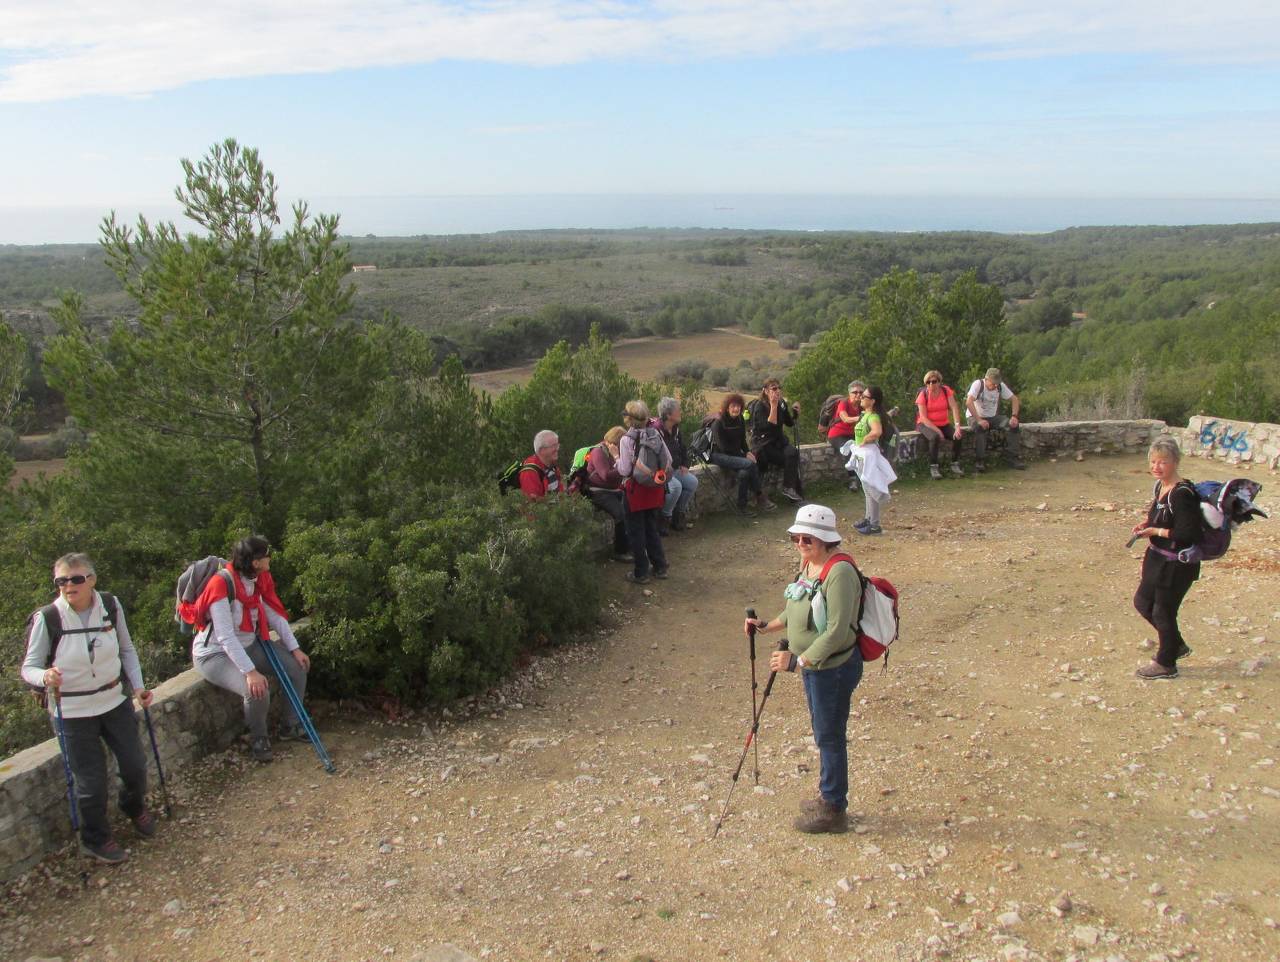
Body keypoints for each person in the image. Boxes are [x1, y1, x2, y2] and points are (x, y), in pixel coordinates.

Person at [21, 553, 155, 864]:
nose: (69, 585)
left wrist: (137, 686)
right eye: (62, 581)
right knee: (90, 782)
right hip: (72, 710)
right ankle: (96, 839)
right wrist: (45, 676)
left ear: (91, 580)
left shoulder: (110, 605)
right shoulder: (48, 618)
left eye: (77, 579)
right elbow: (28, 667)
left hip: (113, 700)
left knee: (135, 766)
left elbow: (126, 648)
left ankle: (134, 807)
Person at [746, 504, 863, 834]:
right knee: (823, 731)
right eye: (796, 538)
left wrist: (798, 661)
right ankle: (829, 796)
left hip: (833, 668)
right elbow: (795, 609)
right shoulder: (809, 566)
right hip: (816, 668)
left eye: (807, 539)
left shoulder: (839, 573)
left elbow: (838, 630)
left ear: (825, 540)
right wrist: (765, 626)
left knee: (829, 735)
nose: (800, 544)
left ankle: (834, 808)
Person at [192, 536, 311, 762]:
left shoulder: (258, 580)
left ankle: (291, 725)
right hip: (215, 654)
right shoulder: (222, 584)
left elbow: (273, 614)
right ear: (256, 562)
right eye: (267, 554)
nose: (270, 558)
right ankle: (259, 738)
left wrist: (294, 648)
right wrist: (250, 672)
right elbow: (225, 636)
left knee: (297, 667)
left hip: (248, 643)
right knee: (256, 690)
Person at [1131, 438, 1201, 679]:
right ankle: (1175, 645)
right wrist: (1147, 524)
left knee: (1163, 612)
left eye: (1163, 462)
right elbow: (1162, 517)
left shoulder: (1182, 493)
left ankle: (1166, 662)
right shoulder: (1160, 487)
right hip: (1157, 560)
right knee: (1142, 602)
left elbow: (1188, 533)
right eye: (1153, 461)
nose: (1156, 466)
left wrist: (1155, 531)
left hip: (1176, 564)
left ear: (1175, 462)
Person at [617, 400, 672, 584]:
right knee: (651, 528)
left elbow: (624, 470)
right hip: (653, 489)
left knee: (636, 532)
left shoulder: (627, 439)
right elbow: (668, 459)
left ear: (629, 419)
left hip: (635, 491)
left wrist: (616, 457)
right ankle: (660, 566)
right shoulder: (655, 433)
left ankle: (641, 572)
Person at [846, 386, 897, 536]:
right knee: (867, 489)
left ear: (873, 401)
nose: (861, 398)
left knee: (871, 489)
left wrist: (866, 440)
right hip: (863, 456)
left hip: (869, 456)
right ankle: (869, 519)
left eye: (864, 396)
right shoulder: (864, 415)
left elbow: (877, 432)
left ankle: (874, 524)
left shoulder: (873, 416)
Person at [709, 393, 771, 515]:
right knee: (749, 464)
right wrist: (744, 456)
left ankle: (741, 508)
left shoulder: (740, 420)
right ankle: (759, 496)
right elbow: (724, 448)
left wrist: (747, 451)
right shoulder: (718, 423)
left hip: (735, 455)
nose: (736, 409)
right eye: (733, 406)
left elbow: (742, 441)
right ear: (727, 407)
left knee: (744, 473)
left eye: (738, 406)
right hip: (718, 456)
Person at [748, 378, 803, 503]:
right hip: (765, 445)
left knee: (793, 453)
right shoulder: (759, 406)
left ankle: (790, 489)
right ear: (766, 391)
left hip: (779, 442)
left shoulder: (782, 403)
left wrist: (795, 413)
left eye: (779, 388)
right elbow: (769, 426)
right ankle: (794, 495)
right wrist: (773, 406)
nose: (777, 391)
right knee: (790, 461)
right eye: (774, 388)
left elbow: (789, 422)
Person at [653, 396, 699, 534]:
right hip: (662, 471)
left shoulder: (675, 429)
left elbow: (683, 448)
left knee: (692, 482)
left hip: (676, 469)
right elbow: (654, 456)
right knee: (675, 487)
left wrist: (685, 463)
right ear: (668, 415)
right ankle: (665, 517)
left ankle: (678, 515)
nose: (680, 412)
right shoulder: (656, 431)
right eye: (678, 410)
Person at [965, 367, 1025, 471]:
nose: (995, 385)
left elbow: (1014, 399)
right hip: (974, 416)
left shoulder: (1000, 386)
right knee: (980, 428)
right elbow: (969, 402)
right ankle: (980, 461)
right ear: (986, 379)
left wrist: (1014, 416)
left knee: (1013, 426)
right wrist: (979, 420)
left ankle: (1012, 458)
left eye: (997, 383)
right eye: (993, 383)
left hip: (993, 417)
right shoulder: (978, 384)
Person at [587, 426, 632, 562]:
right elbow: (605, 475)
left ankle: (630, 546)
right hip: (598, 491)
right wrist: (624, 467)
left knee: (632, 510)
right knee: (620, 515)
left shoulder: (615, 451)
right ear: (615, 442)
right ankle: (620, 551)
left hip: (614, 489)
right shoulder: (598, 452)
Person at [916, 370, 965, 480]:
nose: (931, 384)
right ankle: (934, 467)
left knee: (958, 436)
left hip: (943, 423)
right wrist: (938, 431)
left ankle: (955, 463)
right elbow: (923, 417)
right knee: (934, 437)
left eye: (934, 381)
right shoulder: (923, 394)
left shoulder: (946, 391)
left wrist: (957, 426)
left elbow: (954, 407)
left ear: (939, 382)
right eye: (928, 382)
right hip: (925, 424)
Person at [825, 381, 864, 491]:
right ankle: (853, 480)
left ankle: (863, 478)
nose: (858, 394)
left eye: (860, 392)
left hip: (852, 434)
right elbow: (845, 419)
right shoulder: (844, 403)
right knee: (849, 449)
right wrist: (862, 418)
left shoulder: (862, 406)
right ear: (849, 393)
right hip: (837, 435)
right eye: (855, 392)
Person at [518, 430, 563, 499]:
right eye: (553, 446)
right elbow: (532, 505)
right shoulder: (530, 472)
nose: (557, 449)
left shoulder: (552, 466)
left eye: (557, 445)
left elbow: (561, 494)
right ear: (541, 450)